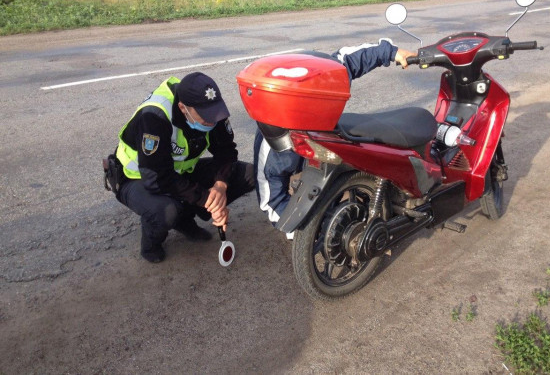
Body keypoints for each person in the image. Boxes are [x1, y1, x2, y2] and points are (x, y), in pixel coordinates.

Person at [254, 39, 416, 234]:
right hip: (292, 162)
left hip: (321, 148)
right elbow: (271, 201)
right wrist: (302, 232)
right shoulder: (272, 145)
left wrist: (392, 51)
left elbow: (351, 60)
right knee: (279, 180)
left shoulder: (325, 79)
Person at [106, 72, 254, 263]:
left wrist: (220, 186)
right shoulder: (155, 116)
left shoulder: (210, 108)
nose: (212, 121)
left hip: (179, 171)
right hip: (136, 178)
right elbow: (157, 178)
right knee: (166, 210)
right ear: (183, 108)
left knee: (248, 174)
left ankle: (184, 219)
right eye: (205, 118)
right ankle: (152, 243)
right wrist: (205, 199)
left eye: (214, 115)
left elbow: (226, 151)